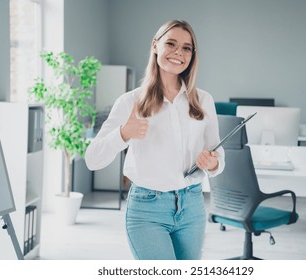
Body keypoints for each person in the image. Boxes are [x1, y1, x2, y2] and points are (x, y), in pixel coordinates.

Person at [85, 19, 225, 260]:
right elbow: (92, 159)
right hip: (147, 208)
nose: (178, 53)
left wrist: (212, 162)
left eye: (186, 48)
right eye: (170, 44)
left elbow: (218, 156)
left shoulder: (203, 100)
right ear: (155, 46)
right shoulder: (131, 102)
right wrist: (123, 134)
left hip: (192, 205)